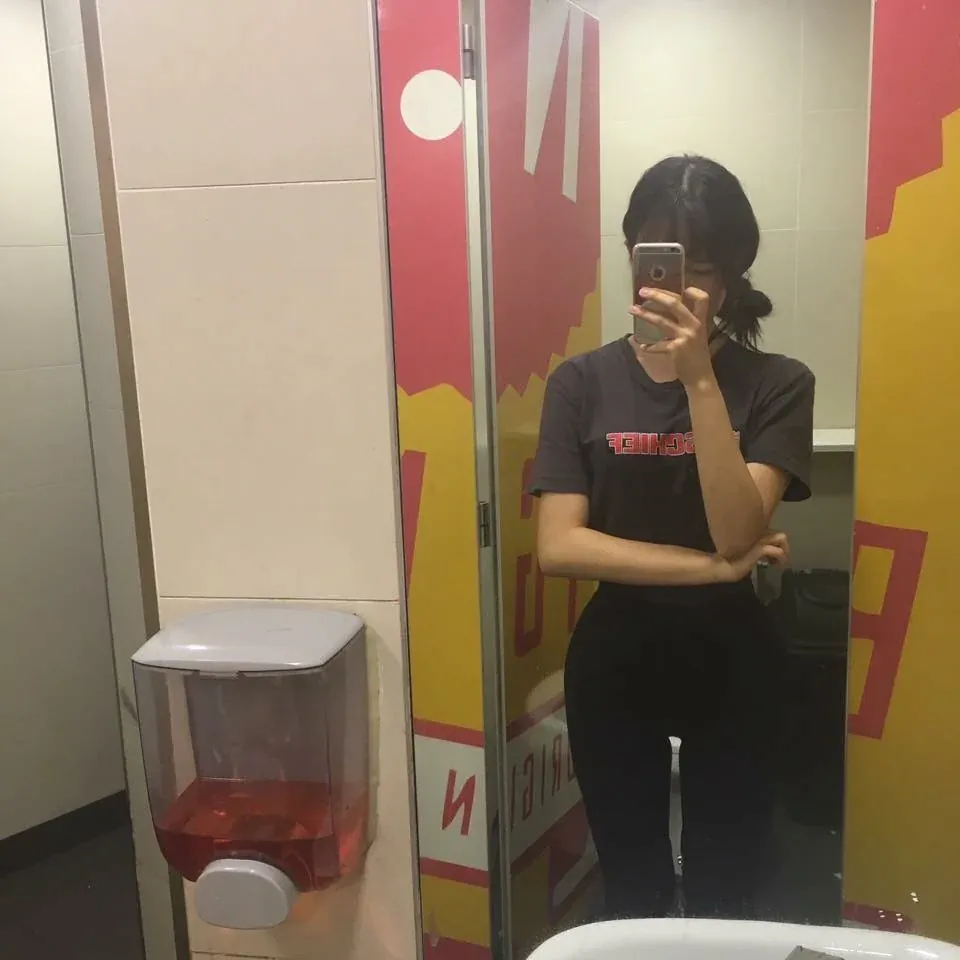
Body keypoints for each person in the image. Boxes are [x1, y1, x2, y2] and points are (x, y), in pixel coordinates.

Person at [529, 155, 814, 919]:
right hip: (615, 658)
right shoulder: (580, 383)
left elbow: (737, 527)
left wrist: (699, 380)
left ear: (733, 273)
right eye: (657, 256)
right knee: (633, 885)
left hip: (735, 662)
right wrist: (714, 569)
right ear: (631, 254)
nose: (677, 282)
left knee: (727, 887)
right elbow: (560, 547)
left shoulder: (779, 382)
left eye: (702, 265)